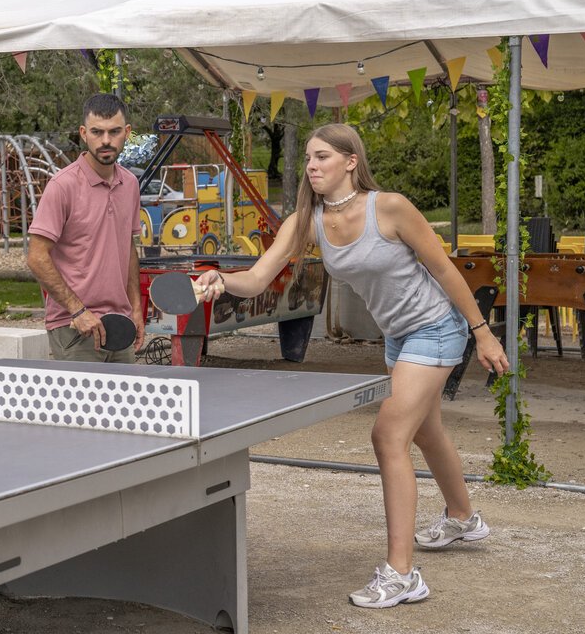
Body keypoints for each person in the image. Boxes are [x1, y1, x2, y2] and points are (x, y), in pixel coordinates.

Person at [193, 123, 507, 609]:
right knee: (424, 433)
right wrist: (220, 280)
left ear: (350, 162)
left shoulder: (391, 207)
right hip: (399, 336)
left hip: (437, 327)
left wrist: (481, 331)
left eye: (322, 157)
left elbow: (444, 269)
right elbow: (256, 279)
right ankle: (464, 519)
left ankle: (403, 575)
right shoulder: (308, 219)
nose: (312, 166)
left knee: (388, 435)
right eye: (310, 159)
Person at [27, 93, 145, 362]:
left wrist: (136, 309)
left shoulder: (130, 185)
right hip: (74, 329)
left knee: (124, 405)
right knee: (84, 406)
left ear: (126, 132)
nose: (106, 140)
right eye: (97, 132)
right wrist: (77, 310)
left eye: (114, 132)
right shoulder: (62, 186)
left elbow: (127, 248)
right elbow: (36, 256)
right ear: (83, 133)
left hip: (120, 325)